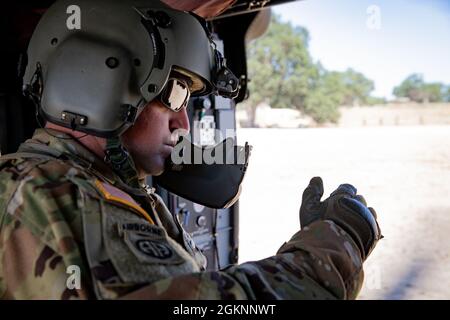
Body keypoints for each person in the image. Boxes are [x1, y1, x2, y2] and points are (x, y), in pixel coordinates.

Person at [0, 0, 381, 300]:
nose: (184, 125)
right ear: (100, 78)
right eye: (176, 94)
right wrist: (335, 247)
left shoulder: (76, 182)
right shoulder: (59, 196)